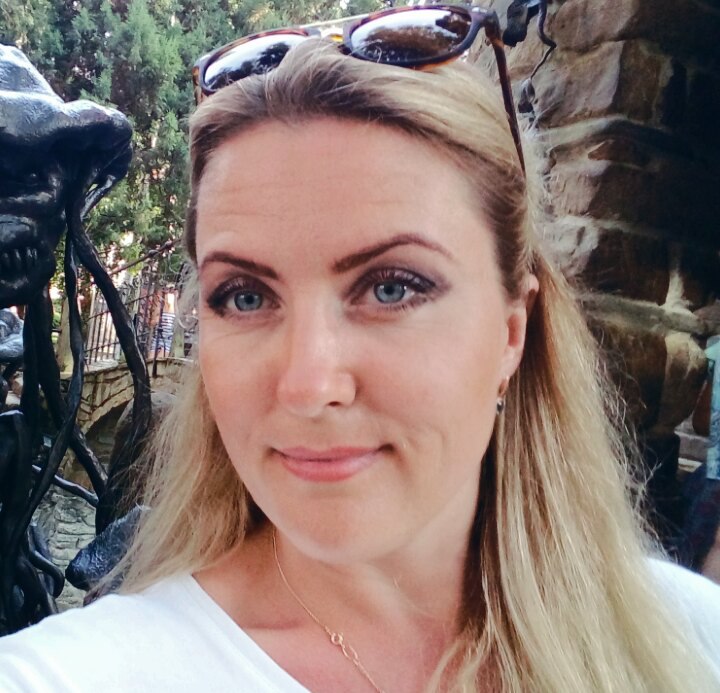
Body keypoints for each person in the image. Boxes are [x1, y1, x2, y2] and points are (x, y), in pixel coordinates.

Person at [1, 6, 720, 691]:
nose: (309, 384)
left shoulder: (688, 637)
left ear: (512, 332)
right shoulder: (65, 675)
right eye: (244, 296)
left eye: (391, 287)